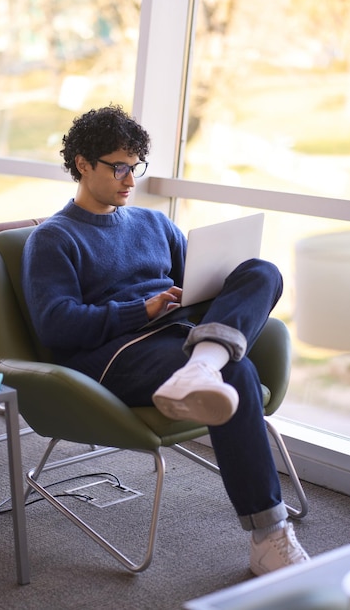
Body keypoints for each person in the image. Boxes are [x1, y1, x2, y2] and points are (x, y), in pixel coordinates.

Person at [21, 104, 310, 576]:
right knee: (236, 372)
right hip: (115, 354)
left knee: (262, 271)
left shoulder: (154, 224)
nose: (130, 179)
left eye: (135, 167)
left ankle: (203, 363)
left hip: (176, 334)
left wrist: (205, 289)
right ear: (82, 164)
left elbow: (196, 281)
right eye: (118, 167)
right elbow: (57, 325)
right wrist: (144, 308)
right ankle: (269, 534)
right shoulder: (54, 238)